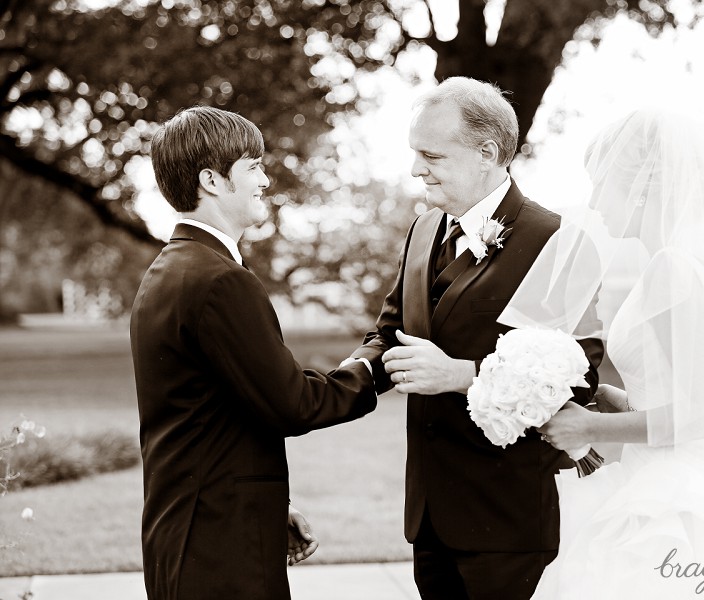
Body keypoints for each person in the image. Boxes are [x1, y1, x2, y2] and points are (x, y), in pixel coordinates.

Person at [498, 108, 704, 598]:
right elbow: (687, 393)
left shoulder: (675, 270)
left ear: (642, 185)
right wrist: (617, 399)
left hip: (679, 497)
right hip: (669, 473)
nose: (594, 198)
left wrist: (589, 428)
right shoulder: (678, 265)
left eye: (601, 181)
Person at [350, 77, 605, 599]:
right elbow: (389, 332)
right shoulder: (423, 229)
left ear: (487, 153)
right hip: (429, 517)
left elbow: (581, 373)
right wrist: (344, 379)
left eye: (431, 155)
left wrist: (462, 375)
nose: (416, 169)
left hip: (507, 516)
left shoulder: (559, 241)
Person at [130, 106, 377, 600]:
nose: (265, 179)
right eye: (253, 166)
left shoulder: (170, 270)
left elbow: (216, 412)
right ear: (212, 180)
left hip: (193, 529)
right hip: (219, 549)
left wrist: (268, 504)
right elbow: (292, 402)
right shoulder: (221, 281)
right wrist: (372, 369)